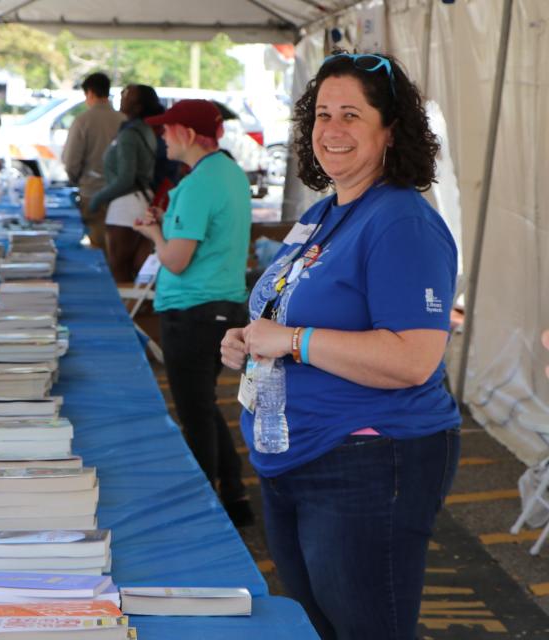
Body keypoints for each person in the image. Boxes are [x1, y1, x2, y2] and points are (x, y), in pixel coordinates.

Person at [219, 52, 460, 639]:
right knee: (322, 626)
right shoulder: (326, 213)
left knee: (364, 628)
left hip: (366, 459)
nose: (332, 129)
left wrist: (294, 341)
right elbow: (288, 311)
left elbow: (412, 359)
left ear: (391, 129)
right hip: (295, 455)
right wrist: (252, 340)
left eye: (352, 114)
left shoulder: (401, 220)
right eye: (322, 113)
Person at [133, 99, 253, 526]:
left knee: (193, 412)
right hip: (221, 307)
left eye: (167, 130)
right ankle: (234, 496)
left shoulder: (200, 182)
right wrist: (169, 221)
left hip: (194, 310)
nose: (162, 138)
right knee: (203, 405)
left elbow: (176, 259)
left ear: (185, 133)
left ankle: (206, 508)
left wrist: (152, 231)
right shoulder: (227, 172)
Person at [89, 84, 164, 282]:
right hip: (139, 199)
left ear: (138, 107)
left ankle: (125, 311)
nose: (122, 95)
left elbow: (125, 178)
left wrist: (98, 199)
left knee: (119, 268)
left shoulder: (130, 135)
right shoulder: (141, 129)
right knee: (133, 267)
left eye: (128, 94)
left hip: (126, 205)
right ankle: (135, 309)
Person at [62, 72, 126, 251]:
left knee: (98, 247)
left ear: (90, 93)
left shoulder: (83, 121)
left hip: (92, 191)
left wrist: (76, 180)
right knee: (117, 249)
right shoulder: (124, 121)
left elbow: (71, 161)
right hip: (121, 194)